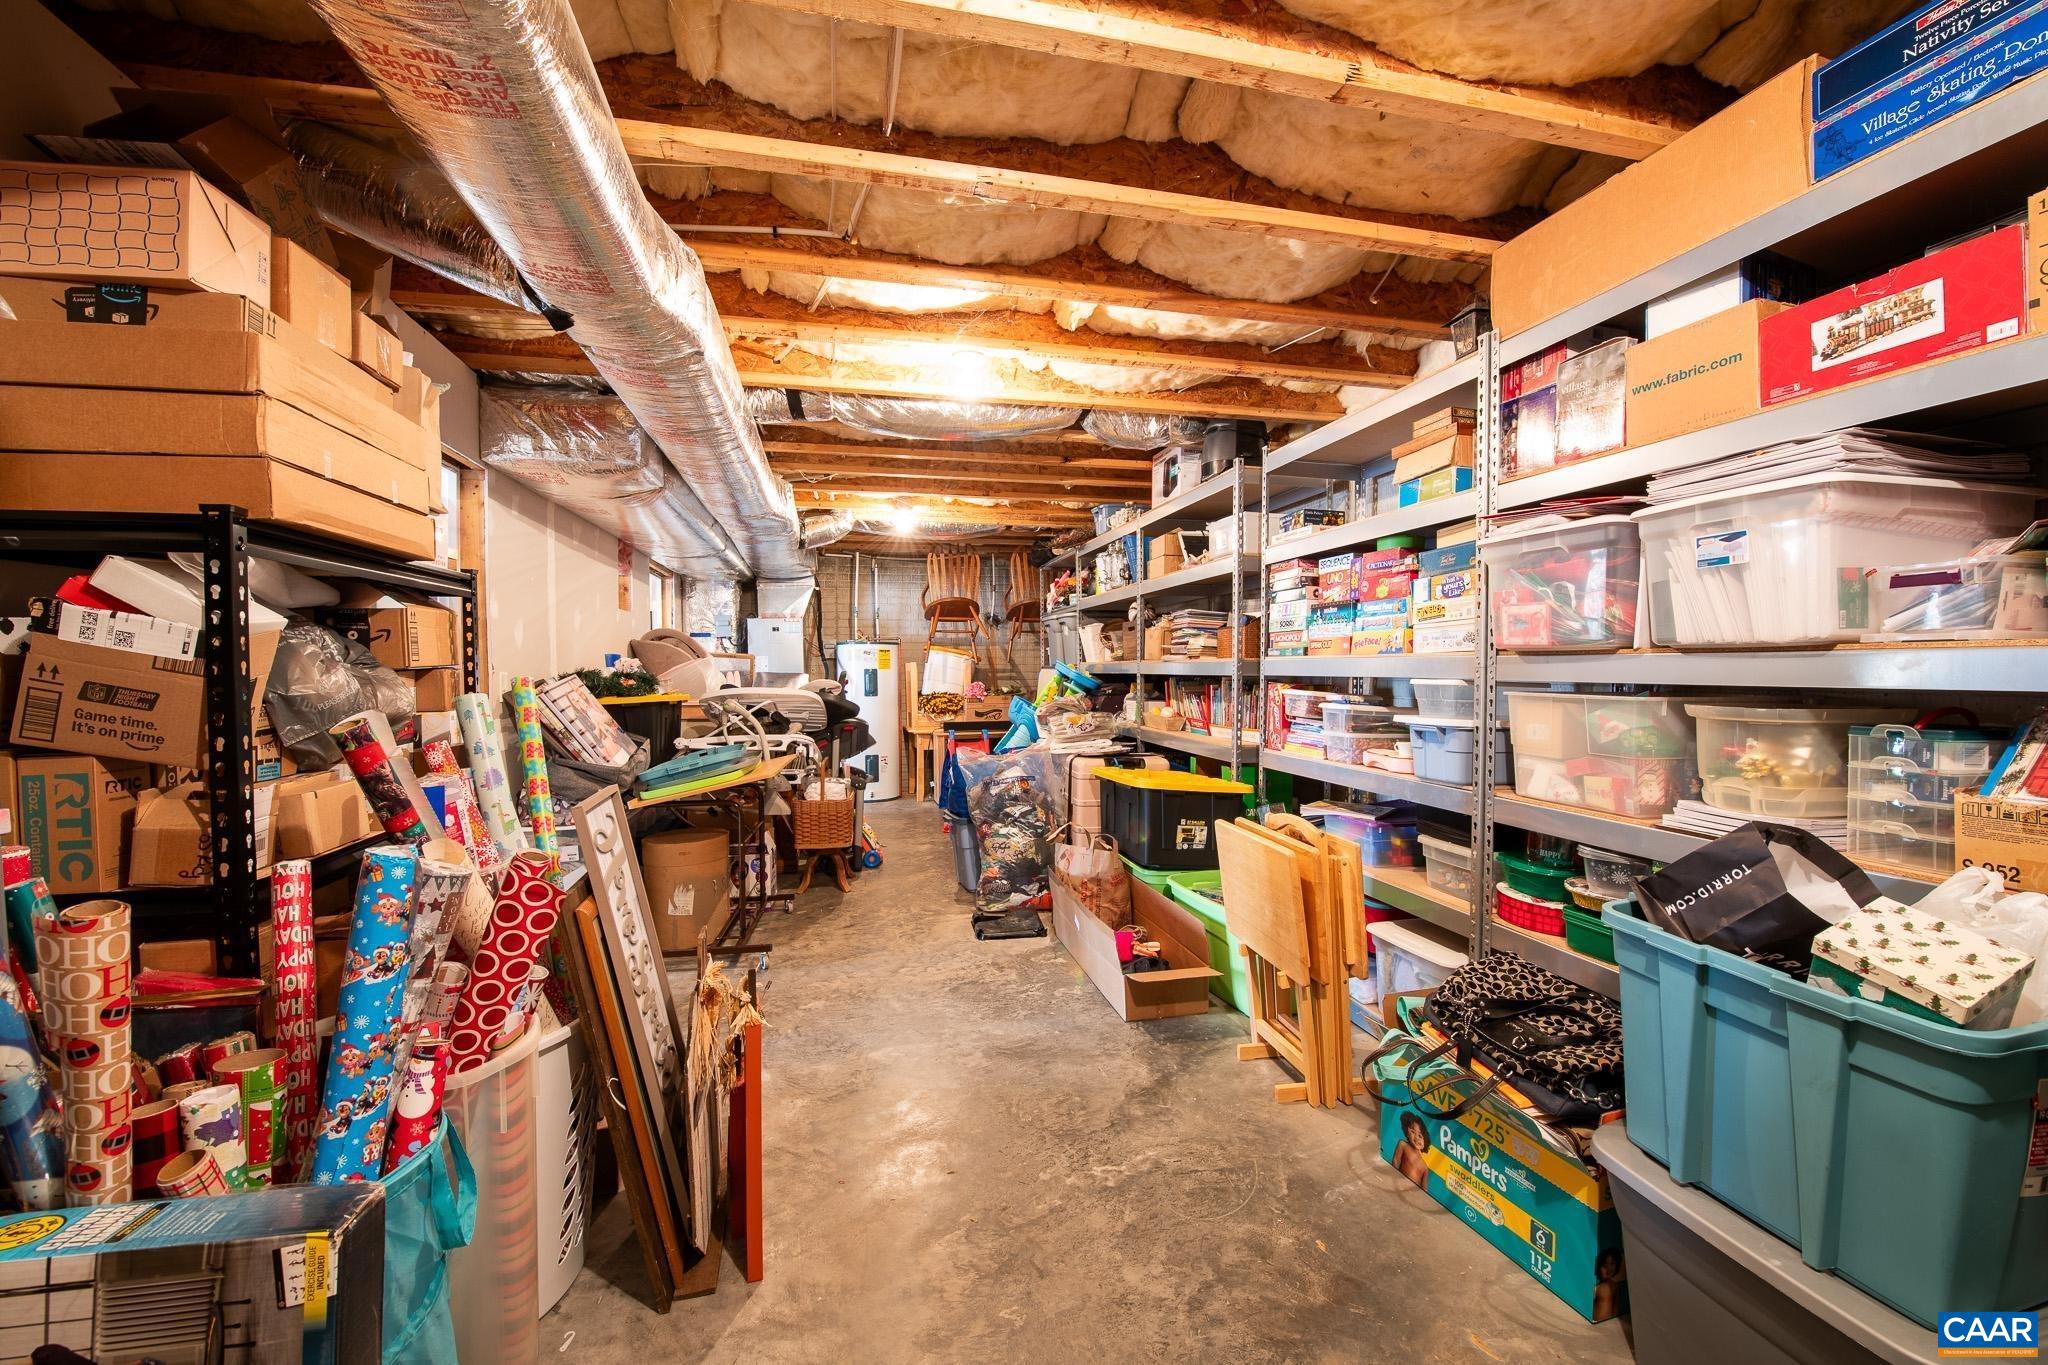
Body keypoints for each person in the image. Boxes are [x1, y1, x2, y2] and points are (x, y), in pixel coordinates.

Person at [1393, 1112, 1430, 1187]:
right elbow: (1395, 1161)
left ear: (1425, 1141)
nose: (1416, 1138)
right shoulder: (1403, 1145)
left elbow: (1424, 1188)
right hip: (1399, 1183)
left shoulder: (1425, 1167)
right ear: (1407, 1133)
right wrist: (1394, 1177)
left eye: (1420, 1136)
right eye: (1412, 1132)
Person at [1592, 1247, 1626, 1320]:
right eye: (1604, 1265)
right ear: (1599, 1267)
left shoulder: (1613, 1286)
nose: (1608, 1268)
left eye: (1612, 1264)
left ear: (1617, 1266)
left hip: (1605, 1323)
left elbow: (1616, 1309)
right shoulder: (1597, 1287)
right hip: (1595, 1322)